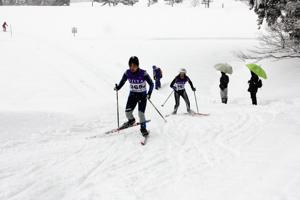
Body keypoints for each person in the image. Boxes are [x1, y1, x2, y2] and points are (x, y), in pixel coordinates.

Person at [115, 56, 154, 136]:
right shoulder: (127, 73)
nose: (132, 68)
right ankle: (131, 121)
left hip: (142, 96)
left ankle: (143, 128)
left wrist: (149, 93)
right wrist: (118, 87)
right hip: (132, 95)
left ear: (137, 65)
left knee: (141, 114)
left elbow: (151, 84)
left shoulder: (143, 73)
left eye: (134, 66)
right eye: (131, 65)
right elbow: (122, 81)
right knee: (127, 113)